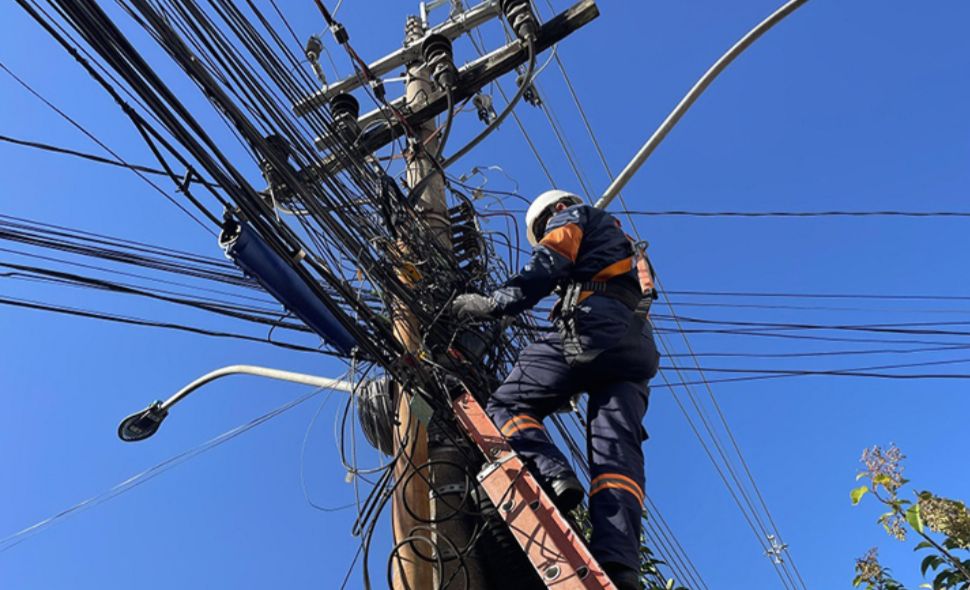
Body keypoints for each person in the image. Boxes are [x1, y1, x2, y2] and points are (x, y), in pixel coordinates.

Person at [451, 189, 660, 590]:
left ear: (558, 209)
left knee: (508, 401)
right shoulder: (626, 245)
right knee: (616, 455)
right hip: (638, 350)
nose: (550, 229)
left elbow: (550, 262)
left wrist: (492, 304)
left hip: (594, 330)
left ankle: (552, 474)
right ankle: (619, 566)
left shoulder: (575, 216)